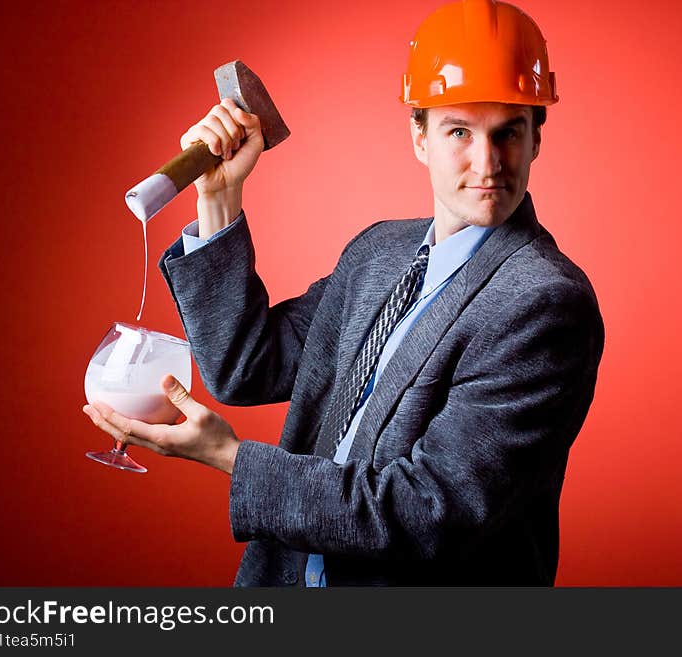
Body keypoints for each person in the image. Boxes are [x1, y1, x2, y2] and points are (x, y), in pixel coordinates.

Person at [83, 0, 605, 586]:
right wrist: (218, 198)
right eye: (458, 130)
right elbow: (246, 368)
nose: (487, 163)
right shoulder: (379, 254)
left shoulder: (543, 304)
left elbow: (429, 512)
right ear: (419, 137)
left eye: (508, 132)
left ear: (536, 139)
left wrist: (230, 459)